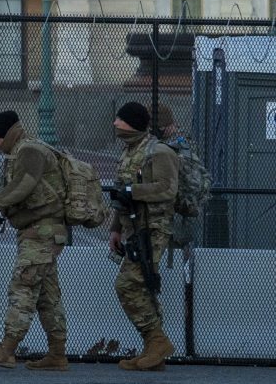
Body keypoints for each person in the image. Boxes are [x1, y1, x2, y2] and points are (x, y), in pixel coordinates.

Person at [0, 110, 69, 371]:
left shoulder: (29, 151)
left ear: (8, 134)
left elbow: (24, 186)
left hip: (41, 232)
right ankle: (57, 354)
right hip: (42, 231)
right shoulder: (24, 150)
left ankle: (6, 351)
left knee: (23, 287)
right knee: (47, 297)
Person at [108, 102, 177, 372]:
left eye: (120, 120)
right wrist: (115, 228)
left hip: (153, 230)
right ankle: (154, 352)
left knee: (128, 284)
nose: (115, 123)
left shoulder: (158, 151)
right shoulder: (128, 152)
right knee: (143, 288)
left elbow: (167, 188)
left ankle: (157, 341)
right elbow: (121, 194)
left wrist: (134, 191)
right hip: (133, 228)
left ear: (133, 123)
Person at [152, 102, 207, 262]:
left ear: (168, 126)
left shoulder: (182, 145)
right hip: (162, 215)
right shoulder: (160, 144)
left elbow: (190, 182)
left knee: (172, 262)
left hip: (176, 215)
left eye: (159, 128)